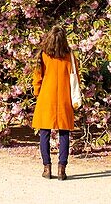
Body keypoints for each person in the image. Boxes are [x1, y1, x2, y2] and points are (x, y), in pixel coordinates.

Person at [32, 26, 78, 181]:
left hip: (47, 97)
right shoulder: (69, 55)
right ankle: (61, 169)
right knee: (64, 133)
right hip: (65, 97)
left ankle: (47, 167)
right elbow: (75, 75)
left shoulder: (44, 55)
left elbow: (37, 77)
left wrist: (38, 92)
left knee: (44, 132)